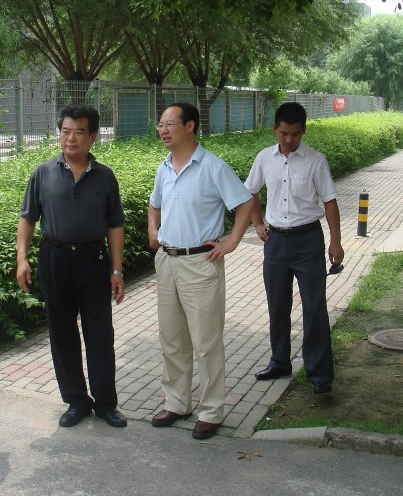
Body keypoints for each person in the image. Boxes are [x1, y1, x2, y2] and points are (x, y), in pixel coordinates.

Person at [16, 104, 127, 429]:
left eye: (79, 132)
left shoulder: (104, 176)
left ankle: (106, 403)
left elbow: (115, 225)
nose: (70, 138)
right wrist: (22, 258)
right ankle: (77, 401)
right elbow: (28, 218)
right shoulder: (43, 173)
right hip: (55, 258)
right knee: (62, 332)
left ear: (93, 137)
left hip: (94, 261)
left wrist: (116, 270)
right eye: (65, 131)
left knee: (99, 333)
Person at [147, 103, 253, 439]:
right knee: (172, 339)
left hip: (201, 263)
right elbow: (154, 203)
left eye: (169, 124)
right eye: (160, 125)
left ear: (190, 126)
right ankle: (177, 402)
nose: (163, 130)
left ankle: (211, 411)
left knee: (206, 342)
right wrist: (152, 227)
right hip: (167, 261)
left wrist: (232, 242)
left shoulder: (212, 167)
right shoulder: (164, 167)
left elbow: (245, 202)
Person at [244, 101, 344, 394]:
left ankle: (320, 373)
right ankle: (279, 362)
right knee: (277, 305)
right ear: (274, 129)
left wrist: (335, 241)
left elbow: (330, 201)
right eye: (284, 133)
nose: (289, 139)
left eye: (296, 134)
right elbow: (250, 192)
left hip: (308, 241)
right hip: (275, 242)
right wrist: (257, 224)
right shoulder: (264, 158)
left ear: (304, 131)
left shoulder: (316, 161)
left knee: (314, 307)